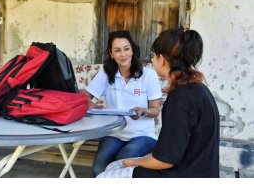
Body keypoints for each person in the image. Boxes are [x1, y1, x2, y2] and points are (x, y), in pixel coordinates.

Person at [96, 27, 220, 178]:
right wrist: (135, 161)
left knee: (105, 176)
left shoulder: (180, 99)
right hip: (199, 171)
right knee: (112, 166)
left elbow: (165, 160)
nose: (152, 60)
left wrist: (136, 162)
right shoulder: (199, 89)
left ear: (161, 59)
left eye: (153, 55)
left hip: (181, 174)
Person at [84, 30, 162, 177]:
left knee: (123, 160)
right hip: (115, 133)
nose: (123, 54)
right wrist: (94, 107)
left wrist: (143, 111)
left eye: (126, 49)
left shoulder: (148, 75)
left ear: (132, 50)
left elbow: (155, 110)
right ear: (111, 54)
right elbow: (84, 98)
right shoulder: (106, 74)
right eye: (117, 50)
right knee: (98, 170)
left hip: (143, 135)